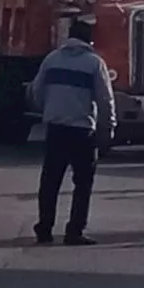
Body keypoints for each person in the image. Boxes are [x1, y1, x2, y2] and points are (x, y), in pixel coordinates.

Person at [28, 20, 115, 246]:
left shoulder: (52, 59)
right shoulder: (95, 63)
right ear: (90, 40)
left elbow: (37, 91)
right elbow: (105, 100)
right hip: (83, 130)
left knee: (50, 181)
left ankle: (44, 228)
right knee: (83, 183)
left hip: (56, 128)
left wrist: (48, 109)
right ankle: (74, 230)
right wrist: (108, 127)